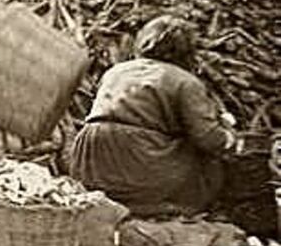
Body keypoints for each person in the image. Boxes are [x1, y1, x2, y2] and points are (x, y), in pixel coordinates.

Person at [70, 15, 240, 217]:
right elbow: (206, 137)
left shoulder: (116, 71)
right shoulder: (185, 81)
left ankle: (120, 204)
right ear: (187, 51)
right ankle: (164, 207)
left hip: (89, 160)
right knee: (206, 160)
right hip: (138, 156)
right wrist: (229, 137)